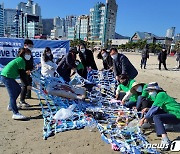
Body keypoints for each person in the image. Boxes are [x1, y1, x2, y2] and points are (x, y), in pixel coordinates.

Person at [139, 82, 180, 149]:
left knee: (157, 117)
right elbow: (156, 108)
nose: (149, 92)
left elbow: (153, 109)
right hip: (170, 112)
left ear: (156, 90)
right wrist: (148, 109)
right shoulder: (158, 96)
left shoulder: (161, 95)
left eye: (151, 90)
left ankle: (165, 139)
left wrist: (143, 119)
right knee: (153, 113)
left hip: (177, 113)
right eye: (149, 91)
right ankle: (156, 128)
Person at [0, 48, 31, 120]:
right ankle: (15, 113)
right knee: (12, 94)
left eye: (29, 54)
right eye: (27, 54)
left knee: (18, 89)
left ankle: (11, 105)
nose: (29, 55)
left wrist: (26, 74)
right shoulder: (21, 60)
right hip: (7, 77)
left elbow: (22, 73)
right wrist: (27, 85)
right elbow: (22, 75)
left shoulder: (21, 60)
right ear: (23, 54)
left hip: (8, 77)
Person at [18, 39, 34, 108]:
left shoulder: (29, 52)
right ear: (25, 45)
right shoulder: (21, 52)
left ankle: (27, 96)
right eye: (29, 45)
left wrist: (32, 68)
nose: (31, 47)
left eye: (31, 46)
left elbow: (30, 61)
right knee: (24, 85)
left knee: (29, 83)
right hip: (23, 72)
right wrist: (25, 71)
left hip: (29, 71)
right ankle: (21, 101)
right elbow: (20, 64)